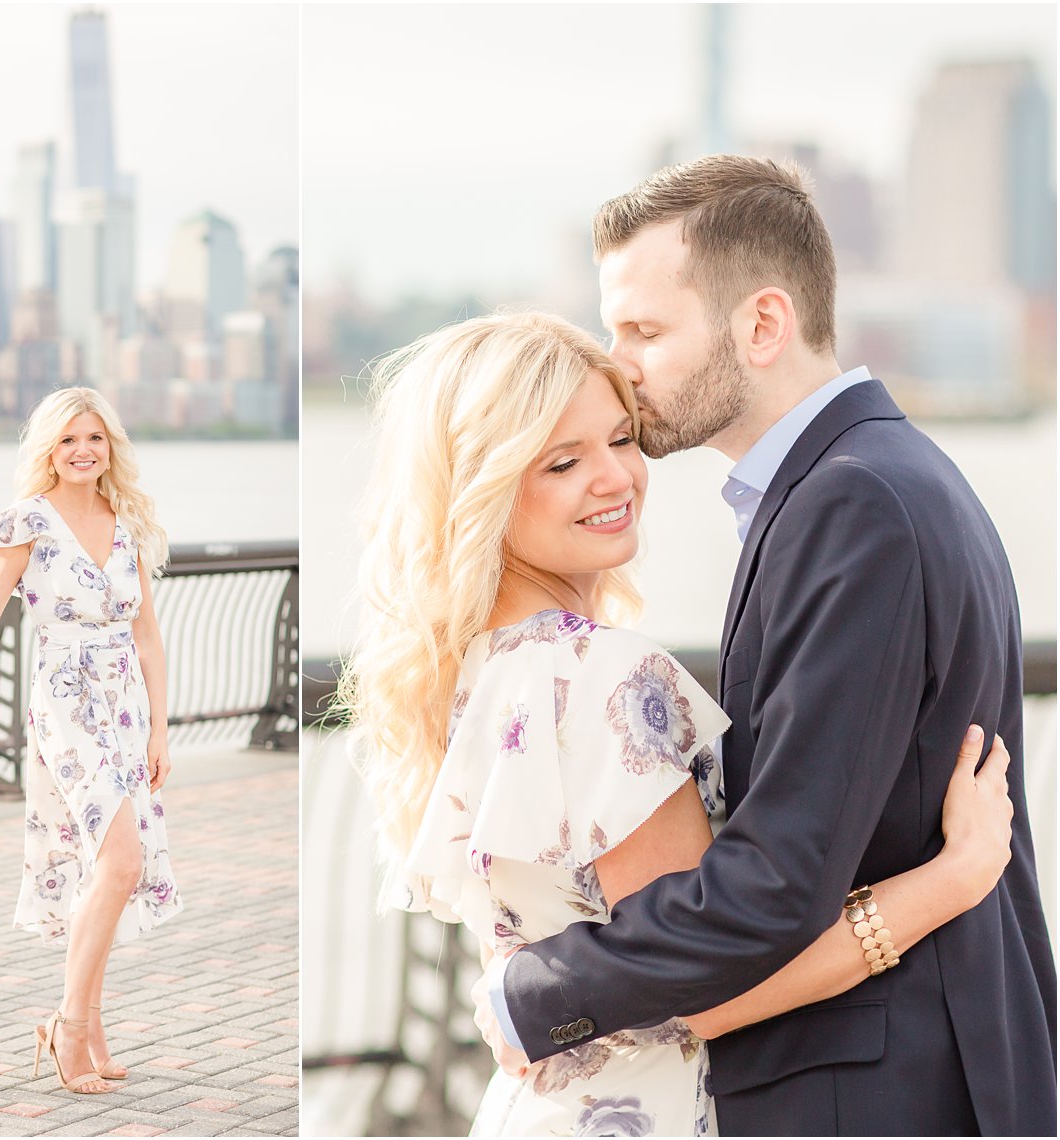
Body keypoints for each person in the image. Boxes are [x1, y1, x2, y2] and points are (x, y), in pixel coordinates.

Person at [483, 157, 1056, 1135]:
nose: (619, 364)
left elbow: (780, 878)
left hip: (876, 1087)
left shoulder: (853, 504)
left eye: (645, 331)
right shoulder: (868, 480)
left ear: (761, 324)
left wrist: (529, 994)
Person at [340, 311, 1018, 1135]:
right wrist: (953, 881)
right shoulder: (604, 675)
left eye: (621, 440)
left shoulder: (475, 671)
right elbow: (706, 993)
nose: (615, 478)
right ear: (482, 488)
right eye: (563, 460)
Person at [0, 386, 181, 1096]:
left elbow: (149, 635)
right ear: (48, 447)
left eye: (95, 438)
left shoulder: (125, 521)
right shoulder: (28, 522)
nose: (82, 451)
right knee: (120, 859)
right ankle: (69, 1025)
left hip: (126, 705)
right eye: (68, 439)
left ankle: (89, 1022)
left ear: (111, 448)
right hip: (67, 701)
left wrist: (162, 727)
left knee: (110, 866)